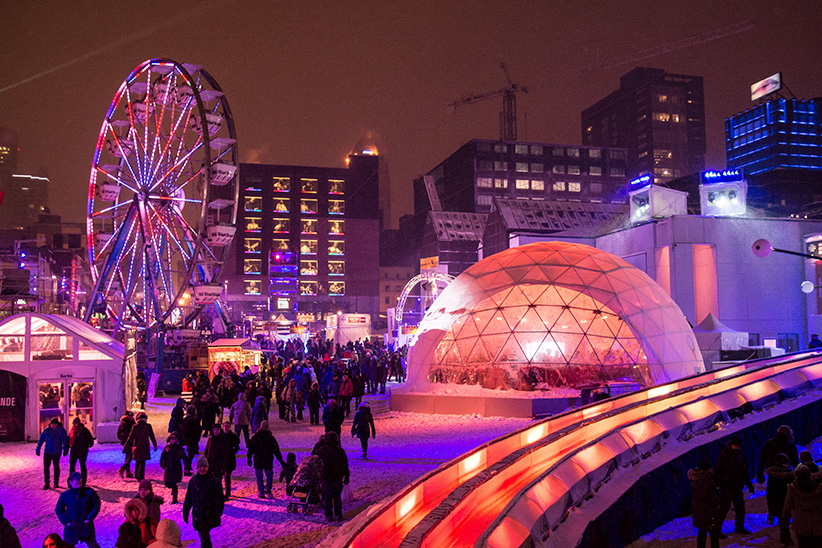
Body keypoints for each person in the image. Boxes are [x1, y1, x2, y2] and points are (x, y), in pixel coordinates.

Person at [715, 435, 755, 535]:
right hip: (727, 487)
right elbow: (718, 471)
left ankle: (739, 527)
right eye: (736, 446)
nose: (737, 448)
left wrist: (749, 484)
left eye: (738, 446)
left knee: (740, 508)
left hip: (737, 486)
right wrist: (720, 485)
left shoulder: (740, 455)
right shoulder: (724, 455)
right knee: (724, 509)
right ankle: (717, 529)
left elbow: (744, 471)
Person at [183, 457, 224, 548]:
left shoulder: (214, 481)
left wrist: (217, 514)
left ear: (207, 467)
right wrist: (185, 512)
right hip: (198, 514)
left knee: (204, 536)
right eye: (200, 467)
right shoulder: (193, 481)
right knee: (203, 536)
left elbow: (219, 499)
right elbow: (189, 498)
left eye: (204, 466)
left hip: (208, 514)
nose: (202, 469)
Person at [55, 472, 101, 548]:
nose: (79, 485)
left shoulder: (89, 492)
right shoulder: (65, 495)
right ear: (70, 482)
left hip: (86, 527)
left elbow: (96, 505)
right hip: (71, 528)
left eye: (80, 483)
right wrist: (66, 522)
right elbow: (59, 510)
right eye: (76, 484)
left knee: (93, 545)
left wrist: (89, 518)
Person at [781, 464, 822, 547]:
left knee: (803, 544)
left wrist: (784, 520)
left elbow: (787, 506)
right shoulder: (819, 488)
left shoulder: (793, 489)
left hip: (801, 523)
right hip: (817, 521)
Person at [314, 431, 350, 522]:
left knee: (328, 498)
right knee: (337, 497)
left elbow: (315, 453)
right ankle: (338, 515)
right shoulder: (340, 451)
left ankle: (328, 515)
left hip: (327, 477)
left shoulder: (324, 451)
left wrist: (320, 442)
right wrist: (346, 476)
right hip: (337, 477)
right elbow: (345, 465)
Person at [247, 420, 285, 498]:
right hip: (268, 460)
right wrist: (281, 461)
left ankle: (261, 491)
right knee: (269, 476)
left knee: (259, 476)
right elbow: (276, 450)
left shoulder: (256, 437)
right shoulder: (270, 438)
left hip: (258, 460)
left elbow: (251, 448)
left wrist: (249, 458)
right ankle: (268, 489)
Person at [688, 460, 720, 548]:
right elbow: (709, 494)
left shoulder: (695, 478)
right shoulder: (707, 479)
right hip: (708, 509)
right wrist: (718, 499)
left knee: (702, 530)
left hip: (699, 508)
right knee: (713, 532)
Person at [37, 417, 69, 490]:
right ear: (50, 424)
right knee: (46, 468)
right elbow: (41, 440)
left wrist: (65, 448)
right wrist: (38, 449)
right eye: (52, 424)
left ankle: (56, 483)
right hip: (47, 452)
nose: (54, 426)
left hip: (56, 452)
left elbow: (65, 439)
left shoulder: (61, 430)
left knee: (56, 467)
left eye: (55, 424)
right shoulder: (46, 430)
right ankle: (47, 483)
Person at [125, 412, 157, 482]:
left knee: (137, 460)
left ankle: (137, 474)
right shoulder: (148, 426)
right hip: (145, 446)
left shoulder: (135, 426)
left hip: (137, 446)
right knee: (142, 462)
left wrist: (126, 446)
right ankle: (141, 476)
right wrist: (155, 445)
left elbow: (130, 437)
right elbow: (152, 436)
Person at [764, 453, 794, 525]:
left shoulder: (772, 474)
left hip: (775, 494)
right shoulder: (789, 474)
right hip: (785, 494)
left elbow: (770, 491)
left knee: (776, 505)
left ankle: (773, 516)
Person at [160, 434, 186, 504]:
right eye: (171, 439)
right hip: (168, 468)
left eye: (173, 439)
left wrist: (187, 467)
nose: (172, 441)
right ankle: (174, 491)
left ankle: (175, 497)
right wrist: (162, 464)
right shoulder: (167, 447)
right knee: (167, 483)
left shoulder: (179, 448)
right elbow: (163, 456)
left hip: (176, 467)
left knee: (174, 483)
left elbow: (184, 457)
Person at [134, 480, 163, 544]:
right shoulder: (135, 501)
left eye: (145, 490)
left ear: (149, 491)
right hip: (136, 531)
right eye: (141, 490)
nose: (142, 492)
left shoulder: (153, 503)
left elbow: (154, 519)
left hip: (147, 531)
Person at [204, 423, 229, 496]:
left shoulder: (223, 439)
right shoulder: (210, 439)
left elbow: (225, 453)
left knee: (218, 481)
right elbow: (207, 450)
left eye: (217, 429)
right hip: (210, 463)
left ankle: (219, 495)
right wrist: (206, 459)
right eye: (214, 429)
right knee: (210, 480)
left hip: (219, 464)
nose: (216, 431)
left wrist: (223, 464)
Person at [68, 418, 94, 488]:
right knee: (79, 466)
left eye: (74, 424)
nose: (73, 425)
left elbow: (90, 440)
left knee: (77, 466)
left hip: (80, 450)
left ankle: (77, 481)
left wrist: (88, 444)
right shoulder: (76, 430)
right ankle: (79, 481)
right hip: (79, 450)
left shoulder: (81, 430)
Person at [220, 422, 240, 499]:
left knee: (227, 476)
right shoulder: (220, 436)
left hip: (229, 460)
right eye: (225, 426)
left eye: (228, 426)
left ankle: (227, 492)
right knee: (220, 476)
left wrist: (231, 453)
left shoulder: (233, 436)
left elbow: (236, 447)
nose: (226, 427)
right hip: (221, 459)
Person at [180, 405, 200, 475]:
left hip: (187, 439)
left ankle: (187, 467)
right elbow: (197, 430)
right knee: (190, 455)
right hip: (192, 439)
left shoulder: (185, 419)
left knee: (190, 454)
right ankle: (187, 468)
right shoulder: (195, 420)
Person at [118, 411, 136, 479]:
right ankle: (122, 469)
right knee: (130, 456)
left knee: (127, 456)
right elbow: (133, 432)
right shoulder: (132, 423)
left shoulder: (122, 423)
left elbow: (118, 433)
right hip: (130, 441)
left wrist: (122, 439)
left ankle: (128, 472)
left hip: (124, 441)